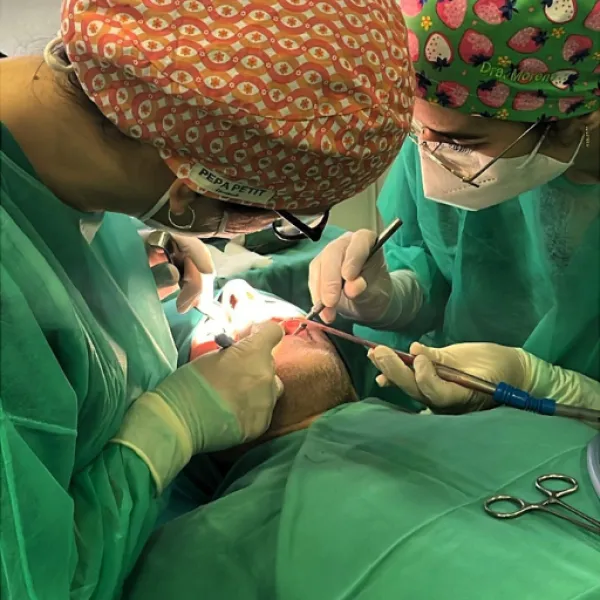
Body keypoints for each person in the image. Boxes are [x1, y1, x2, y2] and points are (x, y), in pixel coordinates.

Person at [0, 1, 415, 598]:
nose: (237, 291)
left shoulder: (69, 145)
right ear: (189, 189)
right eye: (279, 213)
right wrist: (170, 427)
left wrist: (123, 229)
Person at [309, 0, 600, 412]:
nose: (431, 155)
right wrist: (391, 295)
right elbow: (436, 263)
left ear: (573, 122)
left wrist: (543, 383)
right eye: (416, 128)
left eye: (461, 143)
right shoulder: (444, 124)